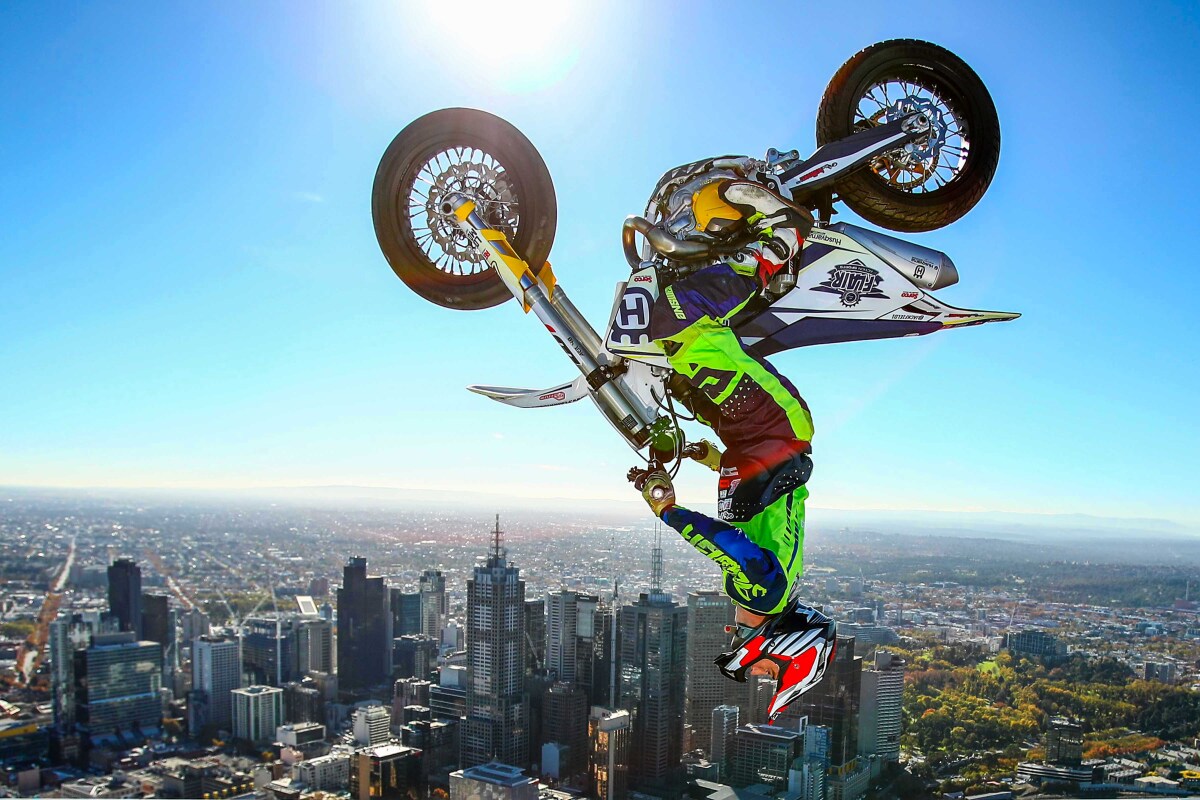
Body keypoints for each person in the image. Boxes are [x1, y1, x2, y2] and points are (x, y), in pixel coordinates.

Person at [631, 164, 838, 721]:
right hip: (771, 423)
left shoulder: (779, 585)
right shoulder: (765, 594)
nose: (754, 669)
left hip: (758, 434)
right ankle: (779, 241)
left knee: (672, 374)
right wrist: (669, 512)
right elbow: (730, 545)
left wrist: (705, 457)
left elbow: (764, 489)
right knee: (678, 326)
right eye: (769, 672)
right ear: (789, 647)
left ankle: (701, 249)